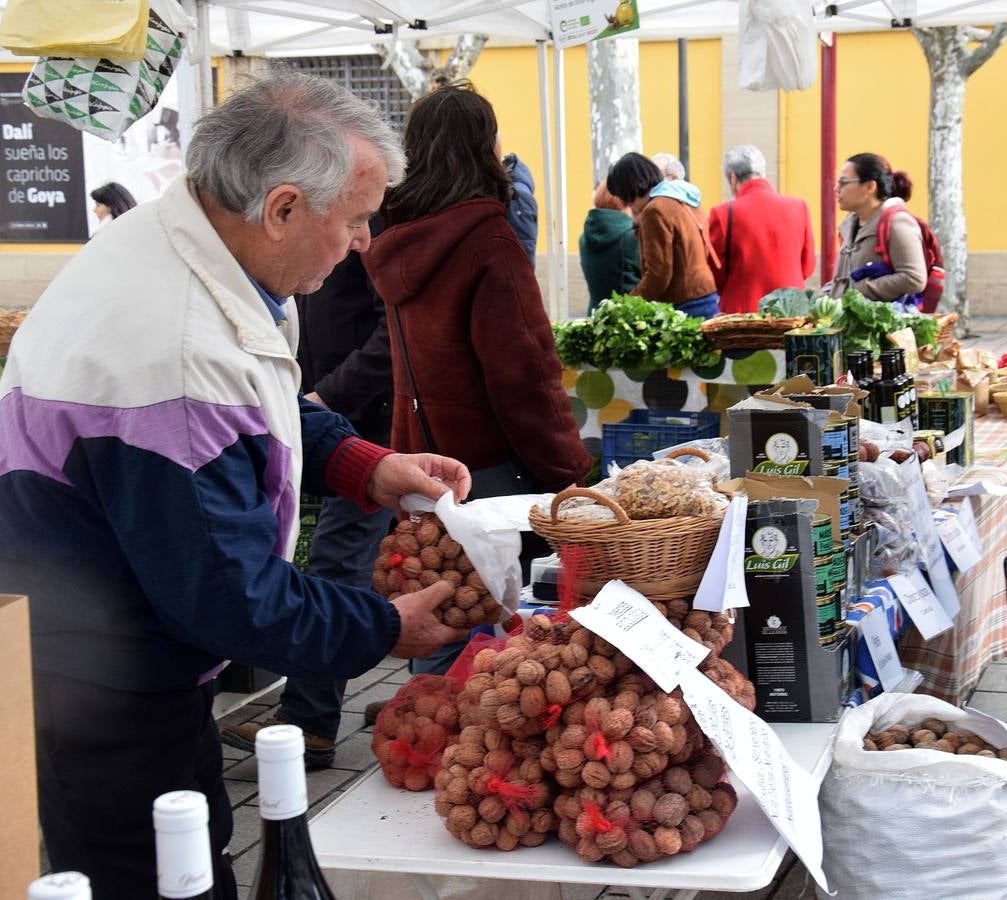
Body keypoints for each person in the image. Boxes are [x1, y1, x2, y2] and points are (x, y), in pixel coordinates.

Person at [0, 70, 473, 898]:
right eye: (356, 220)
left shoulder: (192, 247)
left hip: (117, 630)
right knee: (155, 875)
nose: (364, 242)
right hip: (104, 674)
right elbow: (235, 597)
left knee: (188, 842)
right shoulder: (175, 349)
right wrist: (380, 628)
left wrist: (364, 464)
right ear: (283, 207)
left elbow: (258, 408)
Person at [363, 82, 592, 672]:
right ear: (485, 147)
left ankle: (432, 751)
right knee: (494, 644)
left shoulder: (396, 239)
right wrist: (573, 475)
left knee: (438, 625)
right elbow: (525, 376)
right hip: (494, 482)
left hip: (423, 472)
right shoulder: (489, 241)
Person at [221, 247, 395, 769]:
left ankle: (309, 720)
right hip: (324, 419)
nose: (360, 235)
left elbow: (392, 339)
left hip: (359, 420)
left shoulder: (364, 227)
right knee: (345, 561)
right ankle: (311, 713)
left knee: (337, 560)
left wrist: (326, 399)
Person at [606, 151, 719, 317]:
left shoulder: (655, 210)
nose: (626, 204)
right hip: (705, 295)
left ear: (630, 189)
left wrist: (627, 306)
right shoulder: (683, 197)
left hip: (685, 303)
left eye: (623, 197)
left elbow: (658, 274)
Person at [708, 145, 815, 314]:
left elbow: (714, 272)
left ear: (733, 178)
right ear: (762, 172)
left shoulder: (722, 213)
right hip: (791, 312)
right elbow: (807, 266)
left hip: (743, 312)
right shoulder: (798, 206)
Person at [822, 153, 927, 303]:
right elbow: (842, 281)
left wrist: (858, 291)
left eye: (843, 183)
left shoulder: (896, 222)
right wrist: (822, 299)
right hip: (848, 321)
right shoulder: (850, 224)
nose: (836, 189)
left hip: (884, 323)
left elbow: (914, 278)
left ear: (870, 186)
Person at [579, 180, 641, 311]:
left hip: (597, 315)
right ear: (627, 201)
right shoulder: (630, 237)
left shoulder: (584, 237)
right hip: (628, 318)